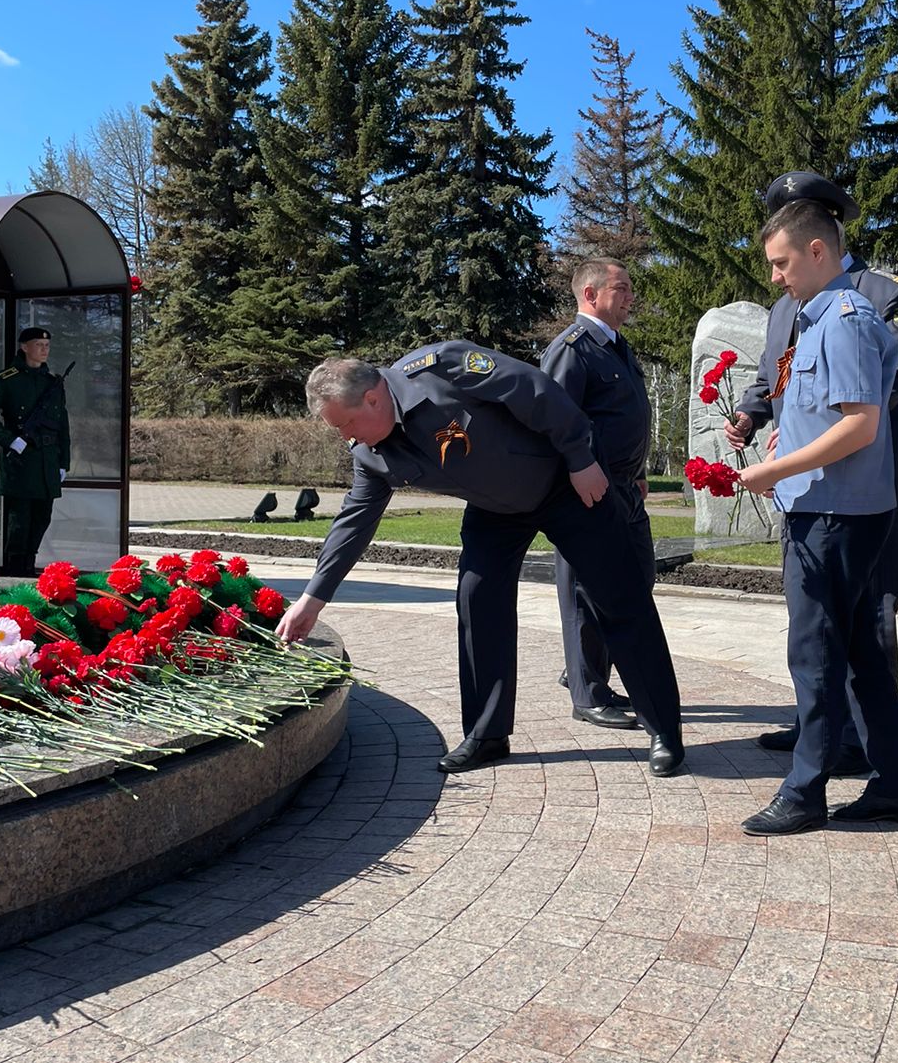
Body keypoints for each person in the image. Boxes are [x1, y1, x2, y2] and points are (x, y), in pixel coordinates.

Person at [275, 345, 684, 778]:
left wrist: (581, 459)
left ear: (373, 398)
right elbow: (353, 523)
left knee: (619, 599)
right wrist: (313, 600)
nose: (347, 437)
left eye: (345, 423)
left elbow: (536, 390)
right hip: (495, 510)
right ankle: (486, 735)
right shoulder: (370, 452)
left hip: (565, 483)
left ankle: (664, 731)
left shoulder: (444, 370)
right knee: (477, 600)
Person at [736, 199, 898, 835]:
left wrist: (776, 472)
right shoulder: (821, 318)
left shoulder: (842, 320)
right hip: (836, 508)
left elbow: (860, 425)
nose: (775, 277)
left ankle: (805, 788)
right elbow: (824, 413)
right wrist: (783, 441)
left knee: (815, 653)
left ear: (818, 252)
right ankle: (897, 786)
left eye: (782, 262)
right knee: (861, 653)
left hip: (833, 514)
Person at [541, 260, 652, 731]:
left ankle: (588, 673)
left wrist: (640, 471)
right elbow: (550, 422)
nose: (630, 297)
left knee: (635, 580)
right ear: (590, 294)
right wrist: (576, 475)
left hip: (626, 488)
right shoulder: (573, 349)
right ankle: (587, 692)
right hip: (588, 491)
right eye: (621, 288)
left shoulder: (616, 347)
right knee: (586, 593)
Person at [0, 326, 71, 577]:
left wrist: (63, 463)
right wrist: (11, 441)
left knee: (42, 516)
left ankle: (29, 564)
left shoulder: (53, 382)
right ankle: (15, 570)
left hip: (47, 460)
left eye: (47, 346)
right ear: (24, 347)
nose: (44, 349)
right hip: (21, 462)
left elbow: (62, 425)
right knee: (19, 521)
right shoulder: (6, 379)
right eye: (38, 345)